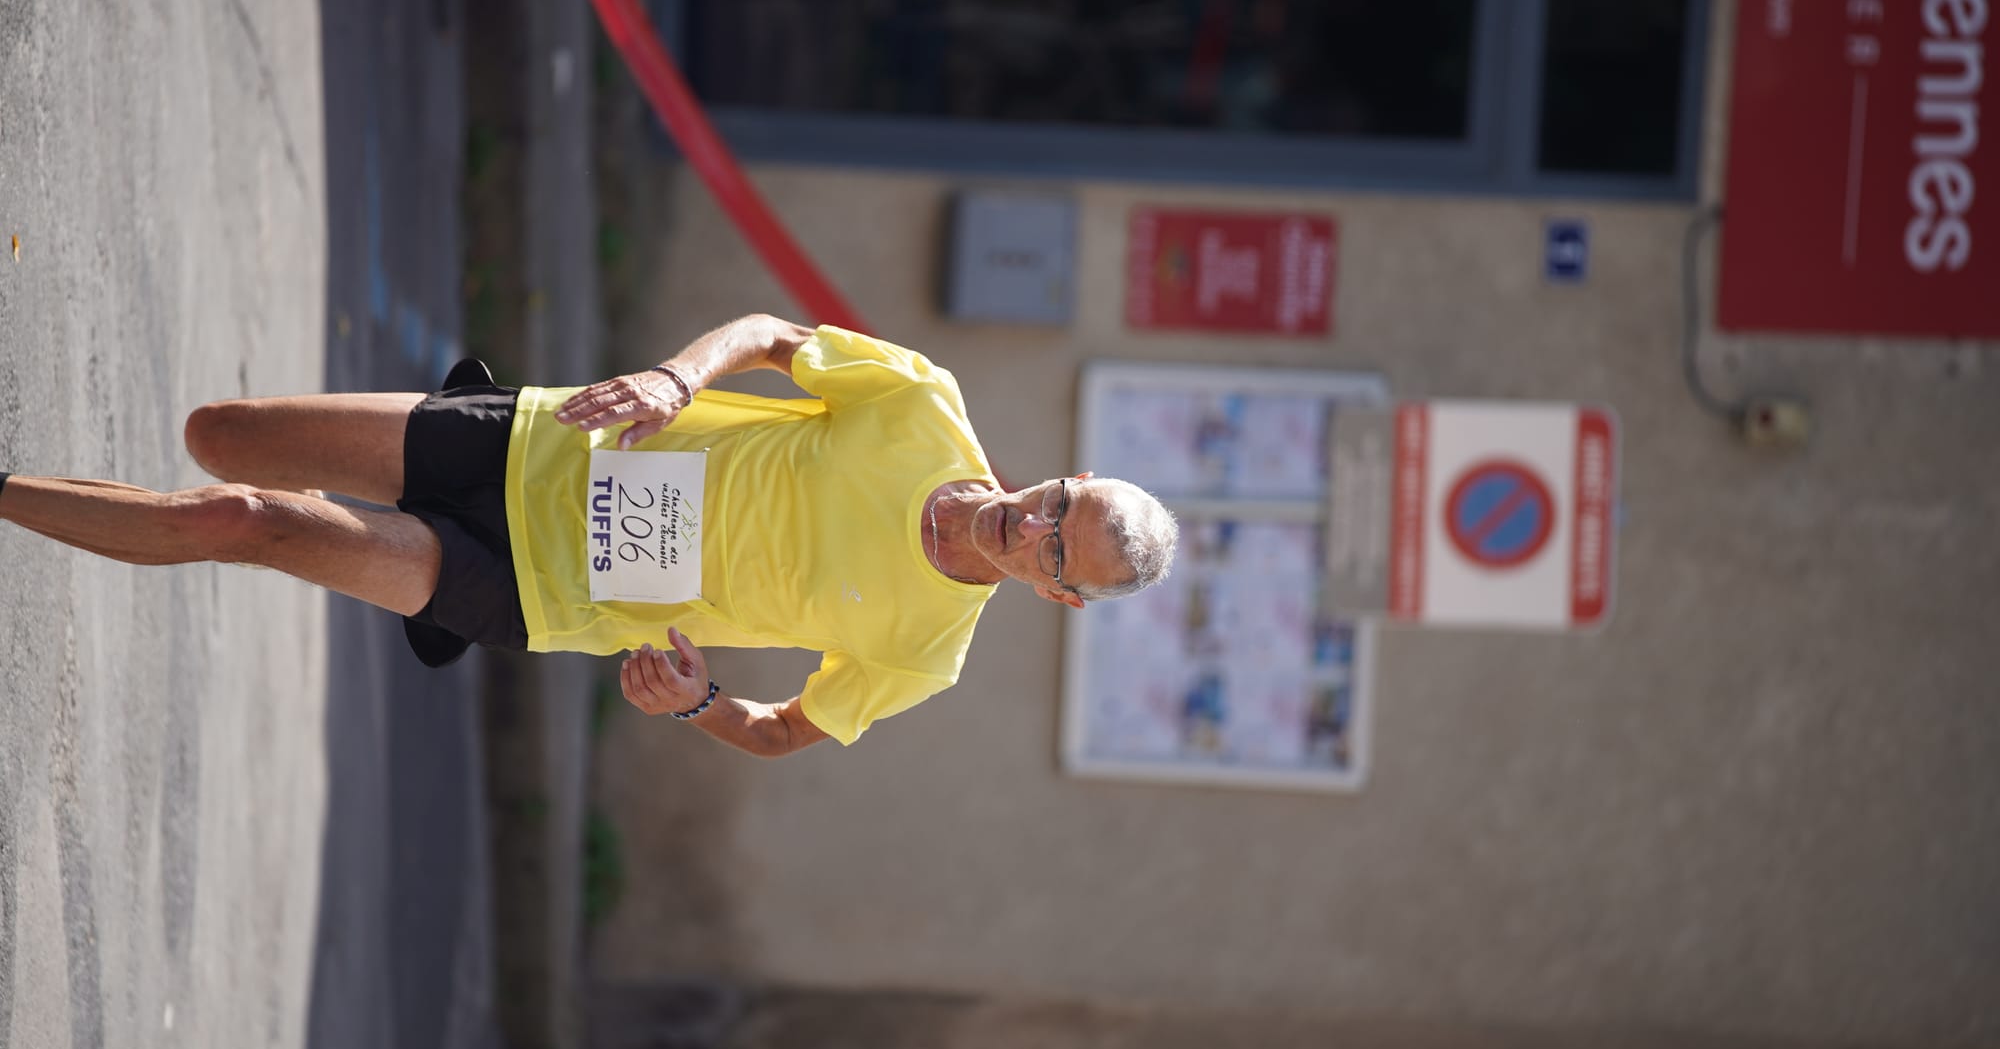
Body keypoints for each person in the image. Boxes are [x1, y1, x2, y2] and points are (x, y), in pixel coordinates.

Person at [0, 315, 1177, 755]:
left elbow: (780, 732)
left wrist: (697, 702)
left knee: (245, 519)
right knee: (221, 437)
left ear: (1056, 594)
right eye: (1058, 504)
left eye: (1055, 550)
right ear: (1066, 475)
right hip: (536, 443)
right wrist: (677, 377)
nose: (1033, 524)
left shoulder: (924, 651)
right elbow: (771, 337)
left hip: (537, 589)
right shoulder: (922, 405)